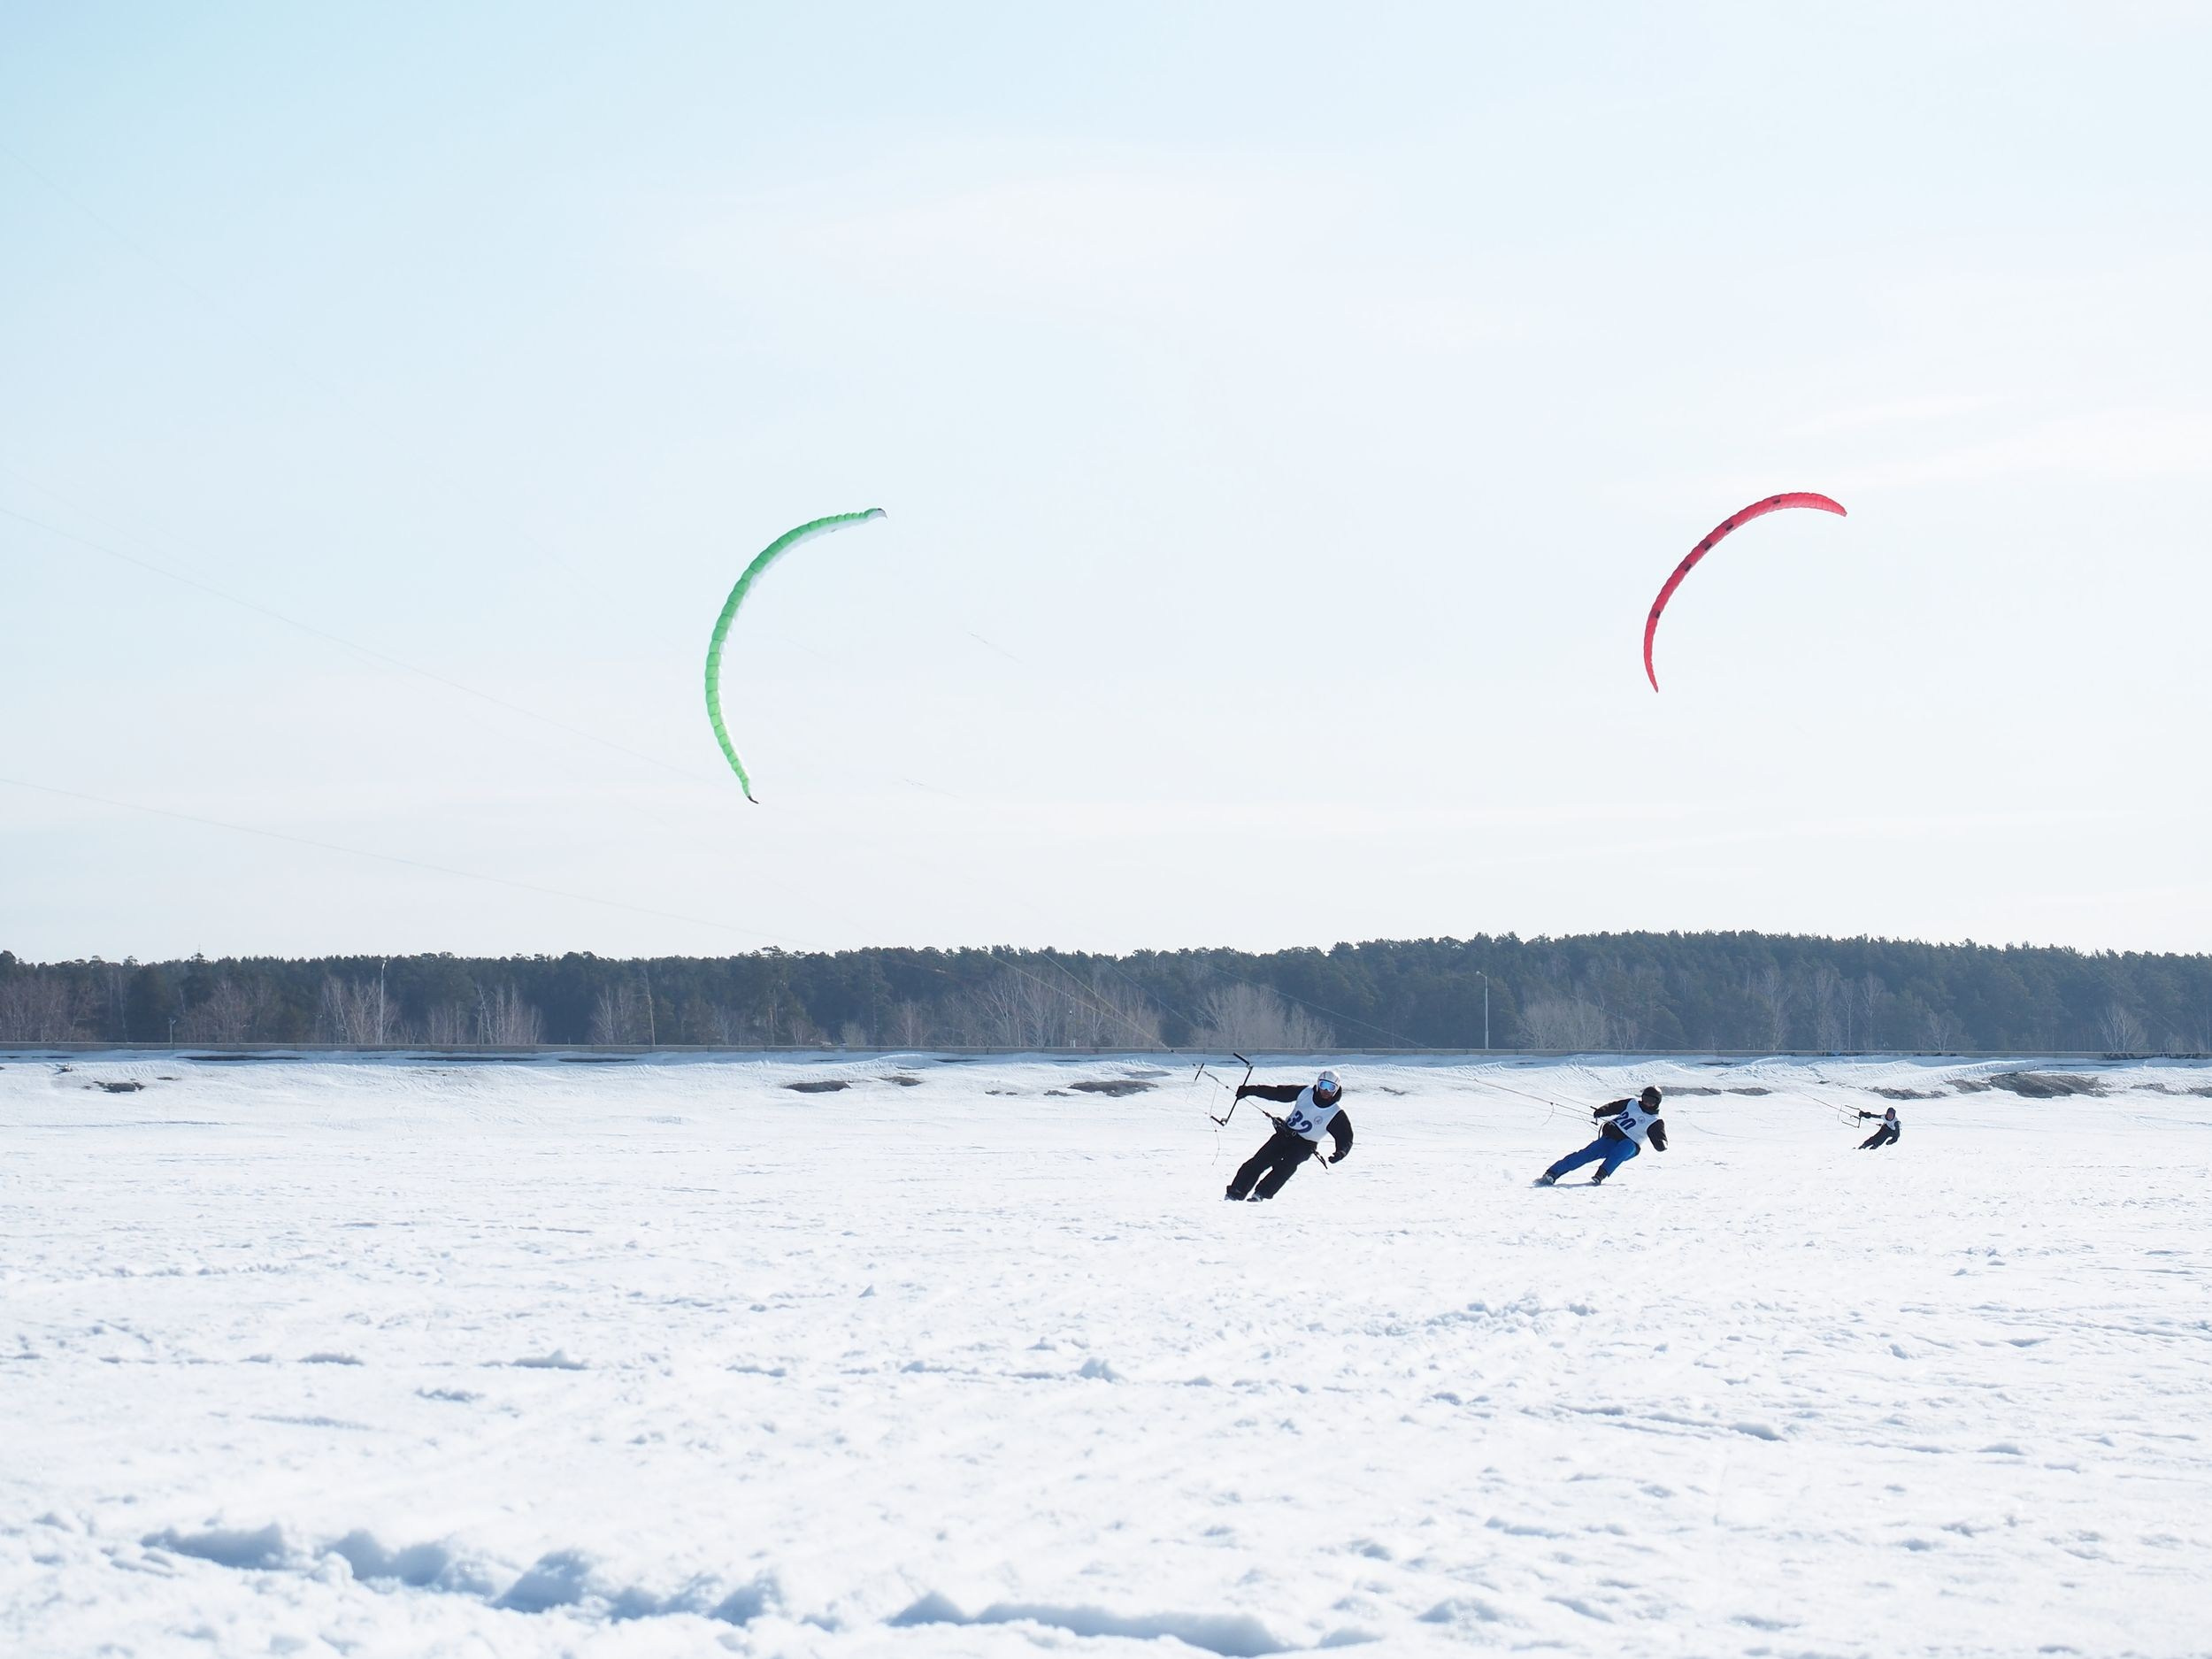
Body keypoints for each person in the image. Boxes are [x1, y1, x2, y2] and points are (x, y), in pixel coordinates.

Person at [1224, 1069, 1353, 1201]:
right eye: (1323, 1085)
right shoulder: (1305, 1093)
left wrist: (1340, 1153)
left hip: (1305, 1145)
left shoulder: (1335, 1113)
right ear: (1318, 1083)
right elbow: (1277, 1093)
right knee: (1258, 1161)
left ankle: (1261, 1194)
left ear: (1336, 1089)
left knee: (1286, 1167)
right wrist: (1251, 1090)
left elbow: (1346, 1138)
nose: (1326, 1090)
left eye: (1331, 1087)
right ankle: (1235, 1192)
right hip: (1285, 1135)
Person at [1538, 1086, 1668, 1186]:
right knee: (1585, 1154)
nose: (1647, 1103)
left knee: (1624, 1147)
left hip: (1630, 1146)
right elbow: (1613, 1107)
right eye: (1646, 1099)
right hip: (1611, 1138)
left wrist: (1662, 1144)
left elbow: (1660, 1140)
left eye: (1651, 1101)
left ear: (1657, 1102)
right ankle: (1552, 1173)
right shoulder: (1632, 1103)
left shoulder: (1655, 1121)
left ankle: (1601, 1174)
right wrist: (1602, 1111)